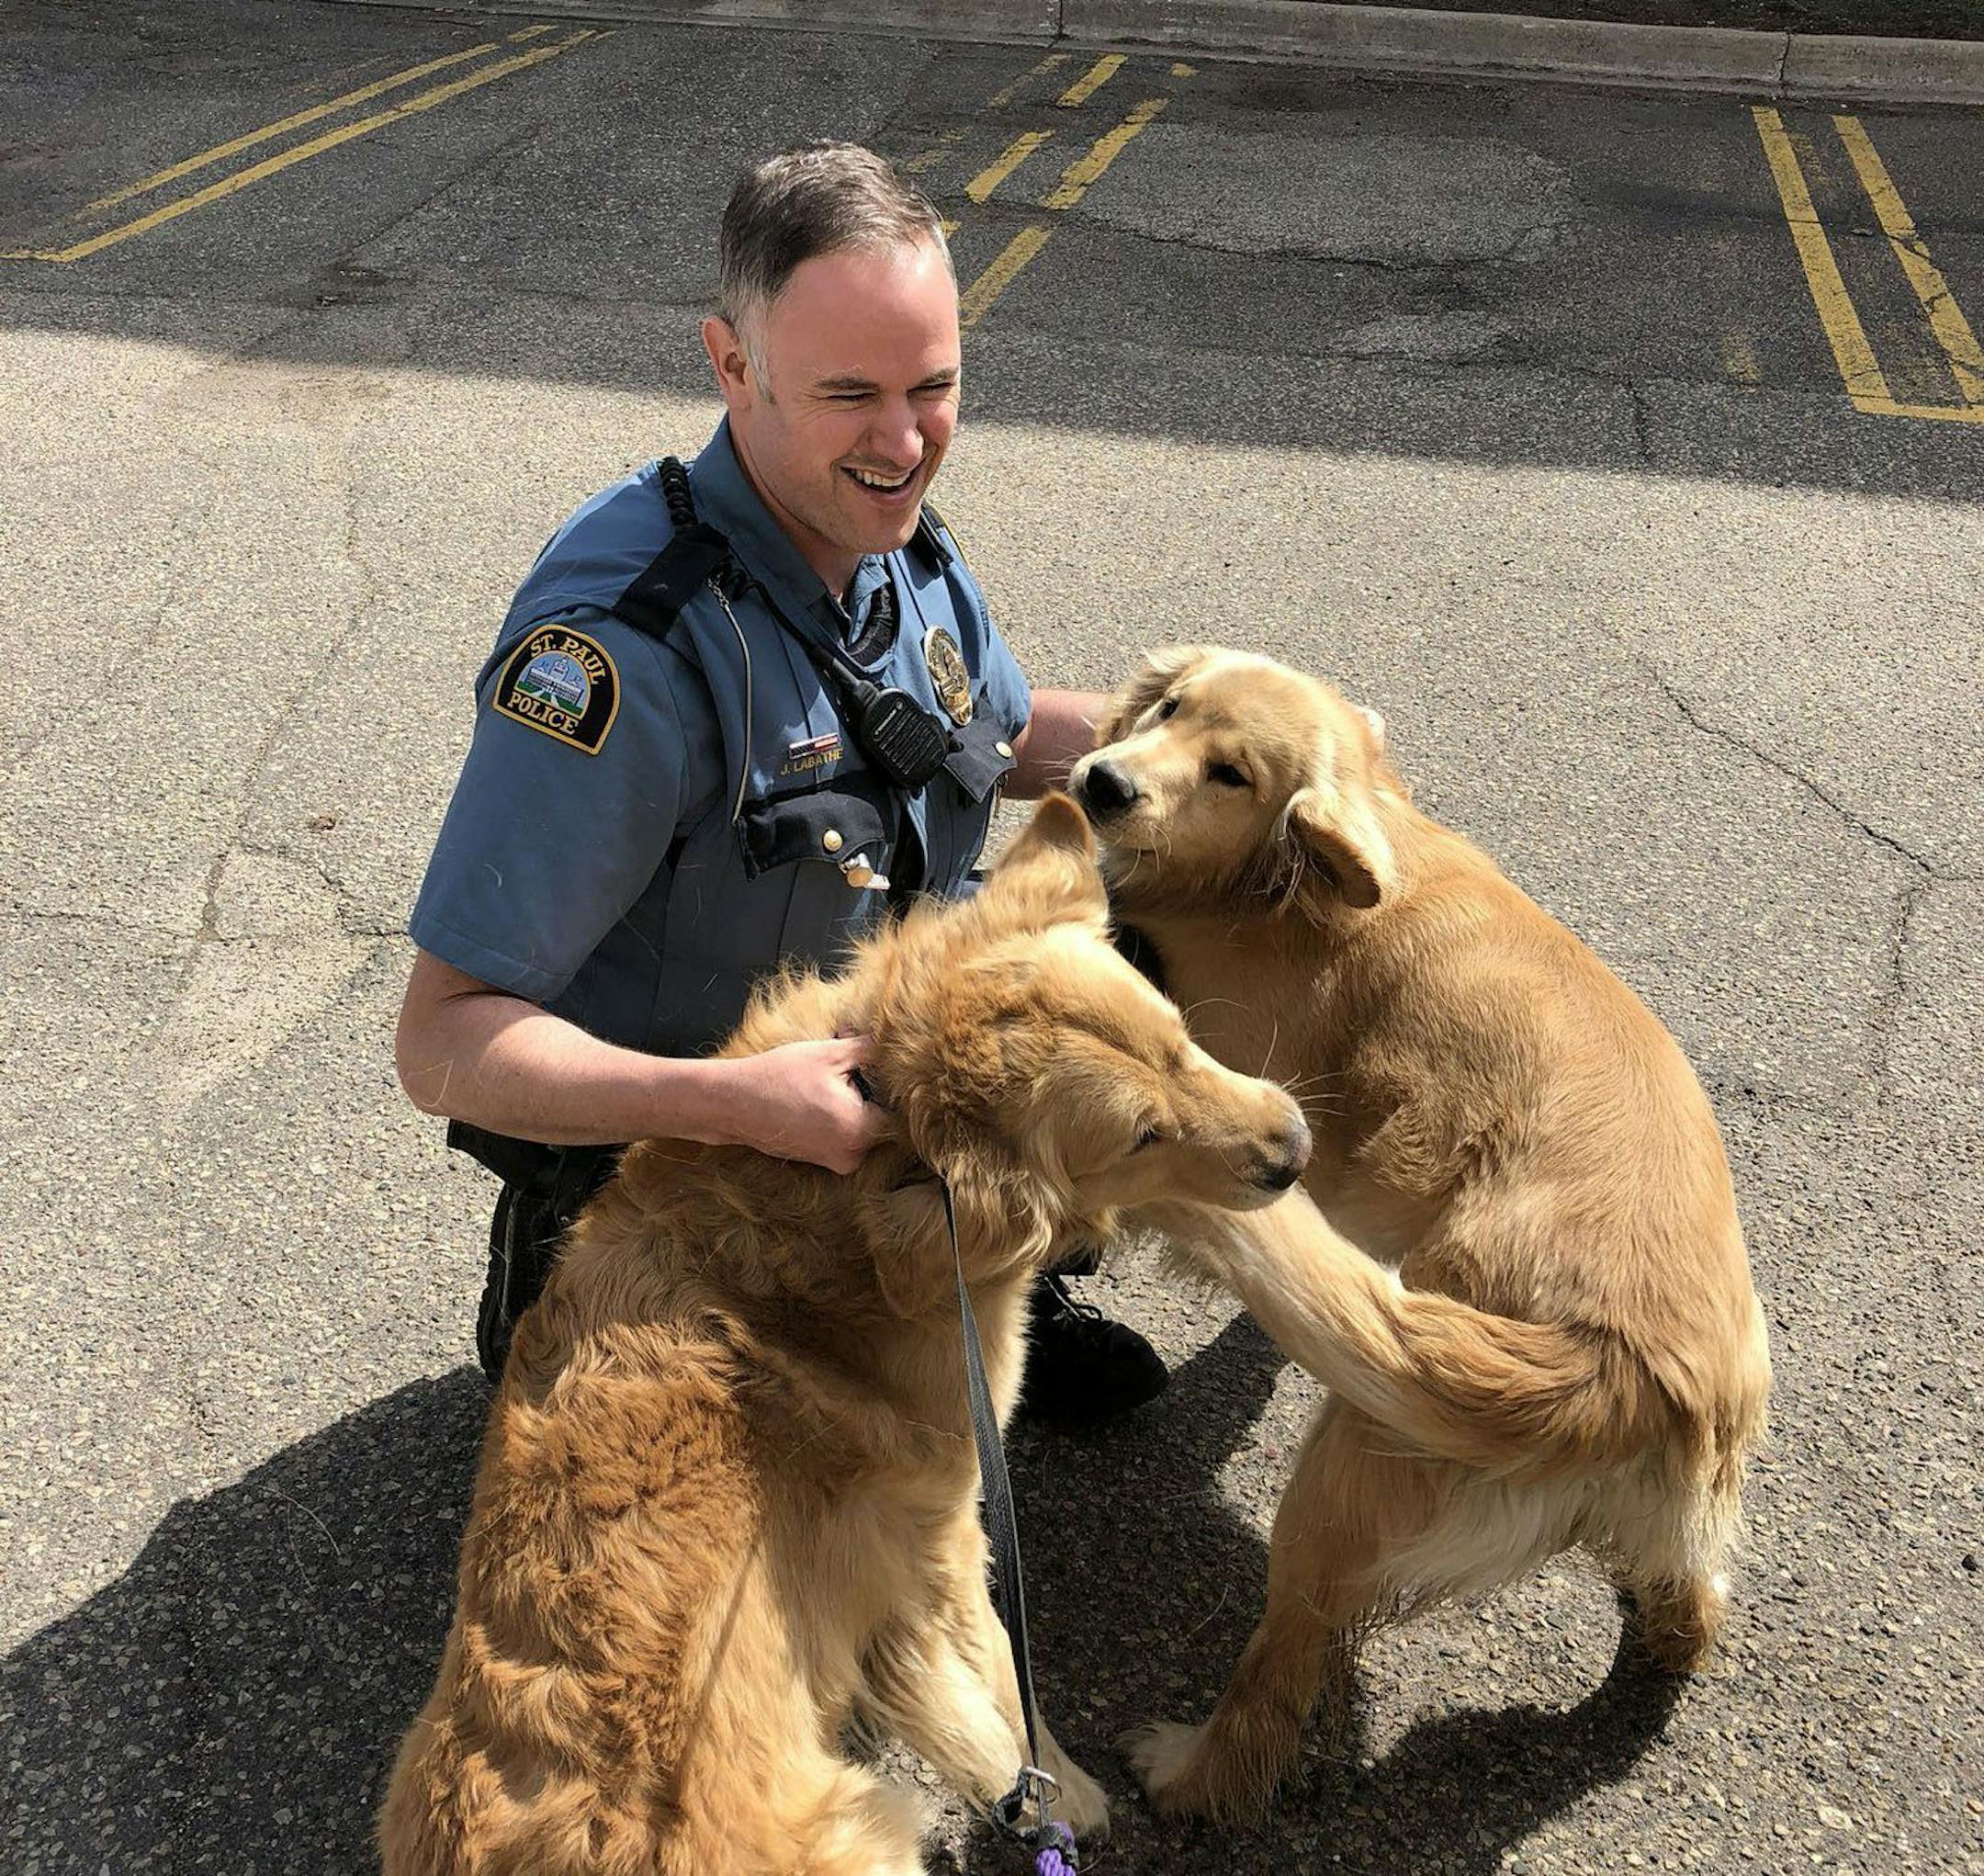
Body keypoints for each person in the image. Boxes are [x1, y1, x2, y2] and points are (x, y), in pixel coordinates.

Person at [394, 141, 1167, 1426]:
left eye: (936, 386)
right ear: (732, 362)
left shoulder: (894, 549)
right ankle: (562, 1293)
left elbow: (1010, 732)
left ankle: (985, 1277)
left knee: (1171, 915)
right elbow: (443, 1039)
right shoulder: (627, 655)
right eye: (852, 392)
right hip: (692, 1164)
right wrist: (732, 1103)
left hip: (868, 1095)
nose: (907, 441)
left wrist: (1237, 749)